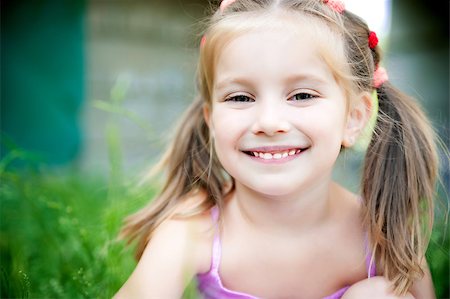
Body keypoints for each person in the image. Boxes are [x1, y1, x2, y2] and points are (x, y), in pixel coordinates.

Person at [114, 0, 440, 298]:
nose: (269, 122)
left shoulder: (379, 234)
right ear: (212, 121)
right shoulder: (195, 227)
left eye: (302, 95)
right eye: (240, 97)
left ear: (354, 118)